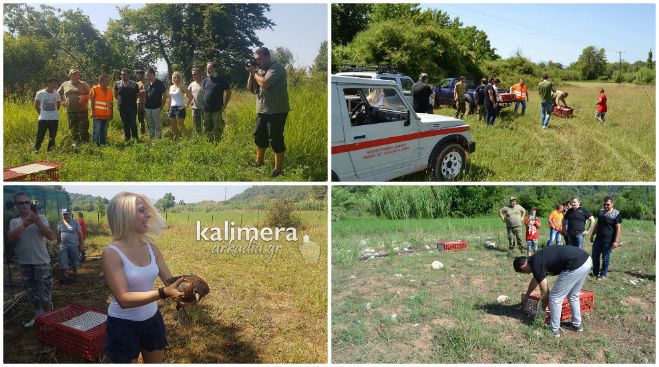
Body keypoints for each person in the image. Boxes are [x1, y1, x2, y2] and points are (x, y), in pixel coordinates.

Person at [102, 192, 185, 363]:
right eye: (142, 210)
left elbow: (169, 281)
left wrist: (188, 290)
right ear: (124, 215)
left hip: (152, 321)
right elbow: (123, 299)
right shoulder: (112, 253)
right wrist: (163, 293)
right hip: (122, 326)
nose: (148, 215)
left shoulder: (151, 248)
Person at [513, 245, 592, 337]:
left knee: (555, 297)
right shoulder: (535, 259)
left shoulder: (536, 264)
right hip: (586, 260)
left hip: (575, 264)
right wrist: (527, 294)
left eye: (524, 272)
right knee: (573, 295)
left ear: (523, 268)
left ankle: (554, 330)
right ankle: (577, 325)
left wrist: (542, 308)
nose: (527, 273)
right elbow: (536, 279)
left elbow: (545, 291)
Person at [7, 192, 56, 328]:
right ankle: (39, 316)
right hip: (25, 263)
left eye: (27, 202)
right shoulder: (14, 222)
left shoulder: (41, 217)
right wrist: (26, 224)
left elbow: (51, 236)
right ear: (16, 205)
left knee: (44, 294)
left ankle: (49, 322)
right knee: (32, 293)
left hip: (41, 262)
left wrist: (37, 222)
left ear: (31, 203)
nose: (25, 205)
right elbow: (12, 237)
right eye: (21, 203)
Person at [247, 47, 290, 177]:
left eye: (259, 59)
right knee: (259, 136)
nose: (257, 61)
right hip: (261, 109)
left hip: (277, 110)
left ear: (267, 57)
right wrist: (251, 73)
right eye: (255, 59)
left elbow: (265, 84)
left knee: (275, 139)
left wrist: (254, 72)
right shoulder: (258, 70)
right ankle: (259, 163)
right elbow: (250, 89)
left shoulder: (277, 68)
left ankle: (278, 170)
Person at [590, 196, 622, 280]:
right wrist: (592, 235)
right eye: (604, 204)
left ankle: (603, 274)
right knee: (595, 256)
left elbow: (618, 227)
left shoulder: (616, 213)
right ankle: (595, 272)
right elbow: (597, 224)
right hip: (598, 239)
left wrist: (616, 240)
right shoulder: (601, 212)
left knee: (605, 258)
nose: (606, 206)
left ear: (612, 204)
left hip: (608, 241)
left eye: (608, 204)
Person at [58, 69, 91, 146]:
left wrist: (85, 96)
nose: (76, 76)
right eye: (74, 75)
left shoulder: (83, 84)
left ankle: (85, 144)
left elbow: (92, 94)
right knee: (73, 128)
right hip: (70, 111)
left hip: (82, 110)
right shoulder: (65, 84)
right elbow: (57, 93)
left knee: (83, 128)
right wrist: (61, 102)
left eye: (78, 74)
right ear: (70, 76)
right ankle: (75, 144)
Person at [202, 62, 232, 142]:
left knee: (217, 128)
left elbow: (228, 92)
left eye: (210, 68)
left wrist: (225, 105)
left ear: (215, 68)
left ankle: (217, 144)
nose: (208, 70)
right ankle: (208, 143)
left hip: (217, 109)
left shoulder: (221, 79)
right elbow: (204, 93)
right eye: (207, 68)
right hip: (206, 109)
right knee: (206, 127)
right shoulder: (205, 80)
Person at [33, 78, 62, 152]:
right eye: (53, 83)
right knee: (40, 135)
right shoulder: (40, 93)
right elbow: (36, 106)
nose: (55, 85)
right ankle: (36, 150)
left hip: (54, 119)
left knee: (52, 136)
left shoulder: (57, 94)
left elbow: (58, 106)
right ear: (48, 83)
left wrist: (52, 113)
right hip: (43, 119)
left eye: (56, 83)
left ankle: (50, 151)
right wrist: (42, 114)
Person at [57, 209, 84, 283]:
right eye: (64, 214)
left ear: (70, 214)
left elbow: (80, 233)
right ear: (62, 215)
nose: (65, 216)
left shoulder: (75, 223)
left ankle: (75, 275)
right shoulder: (60, 223)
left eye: (67, 214)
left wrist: (81, 244)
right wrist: (57, 244)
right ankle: (65, 276)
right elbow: (58, 235)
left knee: (74, 261)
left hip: (74, 246)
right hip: (63, 246)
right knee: (63, 261)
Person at [115, 68, 140, 142]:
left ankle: (135, 138)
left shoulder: (134, 84)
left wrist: (132, 101)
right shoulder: (117, 84)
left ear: (128, 75)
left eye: (124, 74)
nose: (122, 76)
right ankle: (127, 137)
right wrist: (120, 101)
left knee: (132, 123)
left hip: (132, 107)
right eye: (121, 74)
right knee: (125, 123)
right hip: (122, 108)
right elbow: (115, 94)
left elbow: (137, 94)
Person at [167, 71, 193, 139]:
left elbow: (190, 96)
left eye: (178, 77)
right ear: (173, 78)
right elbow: (170, 98)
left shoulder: (182, 86)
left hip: (180, 108)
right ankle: (175, 138)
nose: (176, 79)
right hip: (172, 108)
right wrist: (168, 108)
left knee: (181, 125)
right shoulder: (171, 87)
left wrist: (185, 105)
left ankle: (187, 139)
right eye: (175, 77)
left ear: (180, 78)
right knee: (173, 125)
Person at [90, 74, 114, 147]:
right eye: (106, 80)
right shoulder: (94, 89)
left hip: (107, 115)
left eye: (108, 80)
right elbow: (92, 102)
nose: (108, 82)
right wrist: (93, 112)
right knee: (96, 131)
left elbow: (111, 103)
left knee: (104, 131)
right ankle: (95, 145)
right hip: (97, 115)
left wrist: (111, 113)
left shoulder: (109, 90)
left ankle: (103, 144)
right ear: (101, 81)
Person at [143, 68, 167, 139]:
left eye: (147, 75)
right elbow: (145, 96)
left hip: (156, 108)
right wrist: (144, 107)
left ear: (152, 74)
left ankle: (159, 139)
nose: (146, 77)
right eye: (146, 75)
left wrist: (161, 107)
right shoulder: (146, 84)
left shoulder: (160, 83)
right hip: (147, 108)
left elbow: (164, 96)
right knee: (150, 124)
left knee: (157, 125)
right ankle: (152, 138)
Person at [188, 67, 205, 134]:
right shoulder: (192, 84)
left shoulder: (204, 82)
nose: (193, 75)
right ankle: (199, 137)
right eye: (192, 74)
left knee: (205, 124)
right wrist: (190, 101)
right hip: (194, 108)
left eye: (194, 74)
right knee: (196, 124)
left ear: (199, 74)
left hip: (204, 107)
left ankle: (206, 138)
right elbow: (187, 93)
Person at [135, 70, 147, 136]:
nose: (138, 76)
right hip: (139, 103)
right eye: (137, 75)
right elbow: (135, 94)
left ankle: (152, 135)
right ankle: (143, 134)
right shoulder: (137, 83)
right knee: (140, 120)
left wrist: (140, 92)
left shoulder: (148, 82)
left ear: (143, 75)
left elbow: (148, 91)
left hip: (147, 103)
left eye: (139, 75)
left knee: (149, 119)